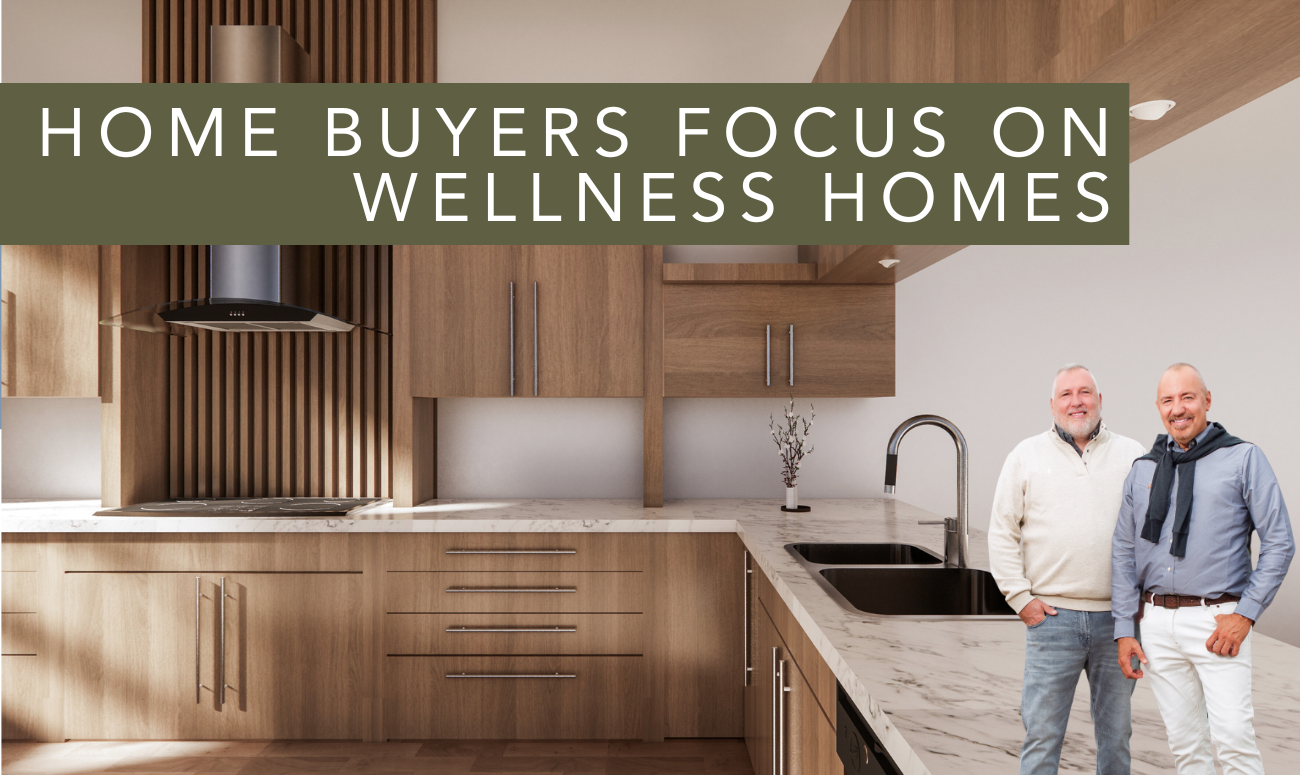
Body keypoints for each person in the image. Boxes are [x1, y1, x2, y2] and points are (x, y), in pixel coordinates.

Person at [1112, 363, 1294, 775]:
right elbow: (1124, 552)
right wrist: (1125, 629)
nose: (1178, 408)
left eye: (1187, 397)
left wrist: (1245, 614)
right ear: (1158, 407)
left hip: (1219, 622)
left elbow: (1280, 542)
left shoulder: (1244, 458)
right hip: (1156, 623)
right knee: (1186, 748)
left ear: (1207, 401)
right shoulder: (1144, 468)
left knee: (1233, 742)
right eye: (1168, 400)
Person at [990, 364, 1147, 775]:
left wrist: (1139, 606)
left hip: (1117, 623)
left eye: (1085, 393)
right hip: (1052, 621)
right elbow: (1001, 531)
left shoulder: (1134, 455)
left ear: (1099, 400)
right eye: (1066, 394)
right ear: (1052, 404)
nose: (1076, 402)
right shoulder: (1025, 456)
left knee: (1116, 739)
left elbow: (1153, 535)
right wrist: (1020, 599)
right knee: (1042, 736)